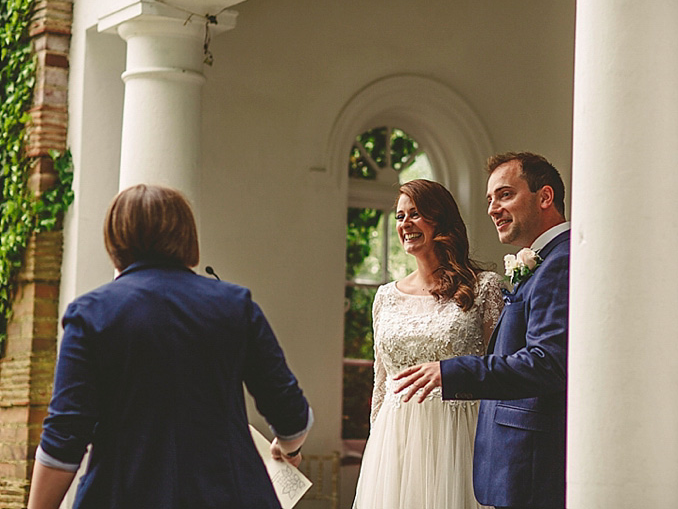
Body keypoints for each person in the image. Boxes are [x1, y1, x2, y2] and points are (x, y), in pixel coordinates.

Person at [28, 184, 313, 509]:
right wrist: (289, 449)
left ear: (114, 239)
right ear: (187, 237)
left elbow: (64, 436)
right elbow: (291, 413)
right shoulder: (236, 306)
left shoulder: (92, 314)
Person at [395, 153, 569, 509]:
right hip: (507, 465)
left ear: (545, 197)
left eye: (504, 195)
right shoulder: (543, 261)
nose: (492, 208)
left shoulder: (561, 262)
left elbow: (548, 363)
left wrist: (450, 370)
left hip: (534, 467)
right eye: (490, 199)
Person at [352, 179, 505, 509]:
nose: (405, 224)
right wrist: (377, 444)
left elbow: (500, 373)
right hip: (396, 442)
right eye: (399, 216)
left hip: (460, 436)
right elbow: (381, 383)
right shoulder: (384, 298)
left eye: (416, 214)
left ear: (441, 219)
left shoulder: (484, 289)